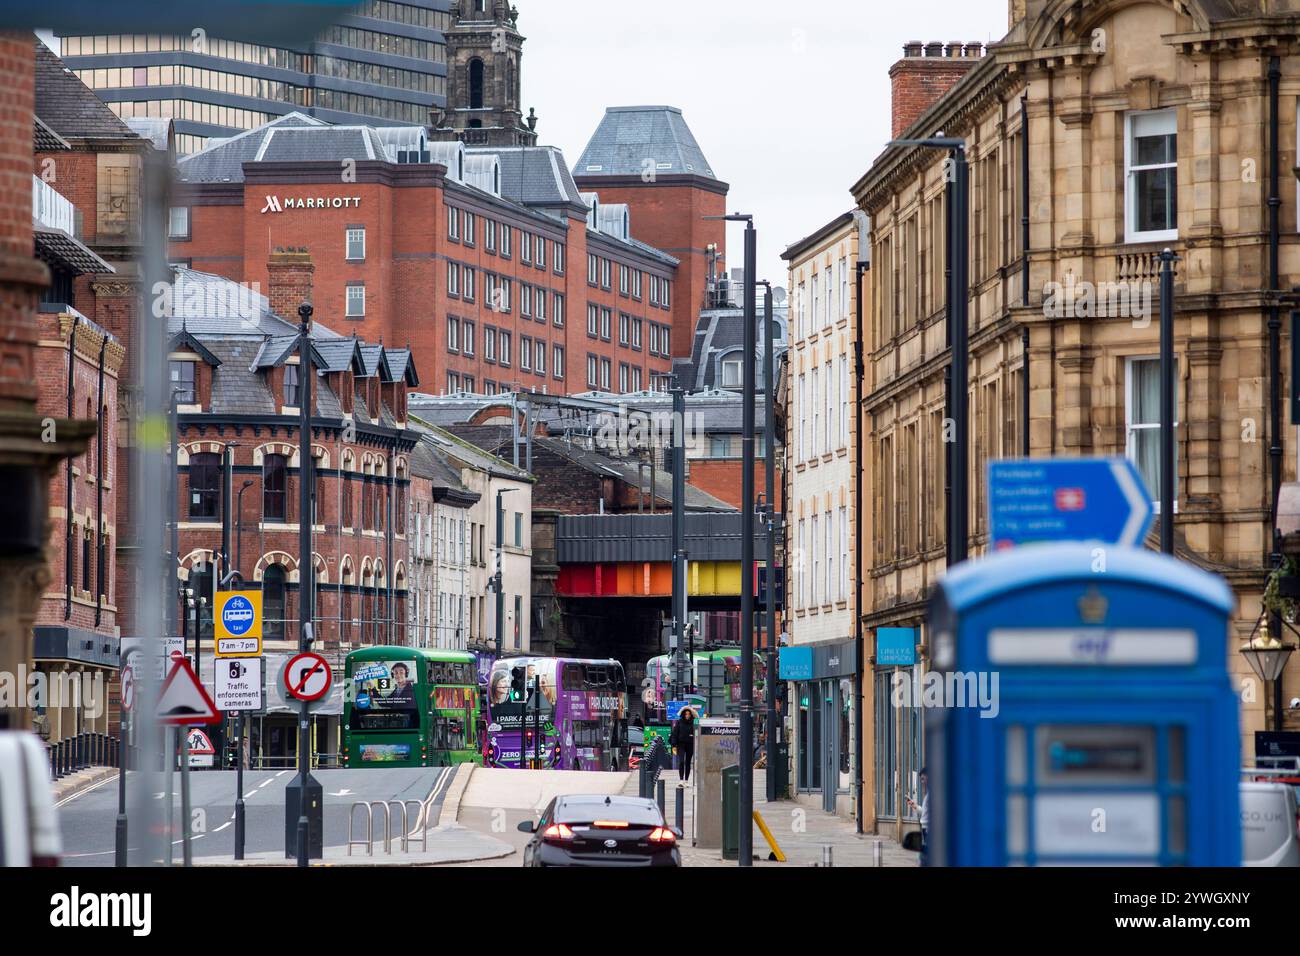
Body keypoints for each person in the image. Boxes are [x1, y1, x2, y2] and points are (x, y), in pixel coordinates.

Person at [906, 767, 929, 862]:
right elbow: (925, 812)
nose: (922, 782)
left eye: (923, 779)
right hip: (925, 828)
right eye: (921, 780)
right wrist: (914, 805)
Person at [670, 706, 696, 783]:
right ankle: (681, 779)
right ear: (683, 715)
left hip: (690, 744)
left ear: (691, 715)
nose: (687, 715)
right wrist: (674, 744)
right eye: (686, 714)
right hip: (681, 744)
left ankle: (686, 780)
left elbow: (696, 732)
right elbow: (675, 733)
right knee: (681, 761)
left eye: (689, 714)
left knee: (688, 762)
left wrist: (693, 735)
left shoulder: (694, 722)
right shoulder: (679, 722)